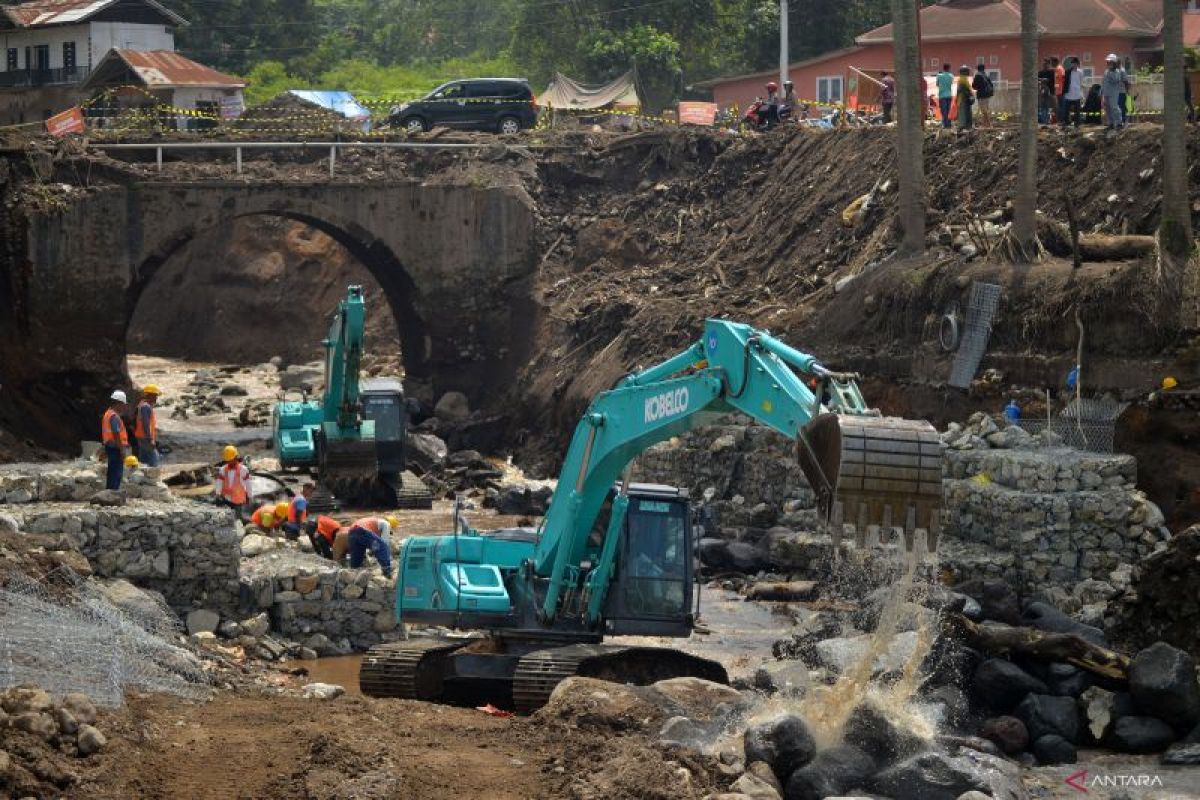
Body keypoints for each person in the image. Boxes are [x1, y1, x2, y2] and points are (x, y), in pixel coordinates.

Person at [101, 390, 129, 491]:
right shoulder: (114, 416)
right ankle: (113, 492)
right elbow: (116, 434)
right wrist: (121, 450)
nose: (124, 407)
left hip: (110, 446)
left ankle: (110, 492)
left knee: (112, 470)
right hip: (115, 447)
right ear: (118, 403)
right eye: (123, 404)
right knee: (116, 472)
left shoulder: (108, 413)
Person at [214, 444, 250, 520]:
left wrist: (249, 496)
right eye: (228, 460)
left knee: (237, 519)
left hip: (238, 500)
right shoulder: (223, 469)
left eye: (231, 460)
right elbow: (219, 482)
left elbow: (248, 484)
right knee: (224, 519)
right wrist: (218, 494)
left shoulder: (243, 470)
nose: (229, 462)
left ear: (236, 457)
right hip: (226, 499)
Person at [133, 384, 161, 467]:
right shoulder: (146, 407)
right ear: (149, 395)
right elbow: (146, 423)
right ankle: (154, 476)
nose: (156, 398)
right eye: (155, 395)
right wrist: (150, 439)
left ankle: (143, 476)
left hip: (140, 435)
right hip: (145, 437)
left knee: (143, 459)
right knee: (154, 458)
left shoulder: (141, 405)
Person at [1101, 54, 1129, 132]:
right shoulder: (1106, 71)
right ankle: (1111, 124)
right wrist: (1101, 92)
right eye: (1108, 62)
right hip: (1106, 93)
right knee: (1108, 109)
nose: (1108, 63)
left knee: (1114, 108)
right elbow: (1103, 82)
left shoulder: (1116, 72)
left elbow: (1115, 80)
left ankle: (1119, 123)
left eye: (1110, 62)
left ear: (1114, 62)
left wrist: (1111, 71)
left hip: (1113, 93)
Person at [1062, 57, 1083, 129]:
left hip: (1077, 93)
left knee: (1077, 110)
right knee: (1066, 110)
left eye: (1075, 63)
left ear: (1078, 64)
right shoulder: (1068, 71)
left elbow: (1081, 82)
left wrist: (1081, 92)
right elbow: (1065, 83)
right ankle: (1066, 122)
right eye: (1073, 63)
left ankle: (1077, 123)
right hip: (1069, 93)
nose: (1074, 65)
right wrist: (1064, 92)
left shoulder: (1080, 72)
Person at [956, 65, 975, 133]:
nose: (968, 72)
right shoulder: (962, 79)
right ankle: (963, 126)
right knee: (963, 113)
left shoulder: (963, 79)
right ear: (964, 72)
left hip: (964, 99)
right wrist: (970, 95)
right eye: (967, 71)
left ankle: (966, 126)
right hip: (963, 99)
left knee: (966, 113)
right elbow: (963, 90)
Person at [936, 63, 955, 129]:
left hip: (942, 95)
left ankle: (944, 124)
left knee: (943, 111)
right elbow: (951, 83)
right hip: (949, 95)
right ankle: (949, 124)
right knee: (948, 110)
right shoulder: (951, 76)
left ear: (943, 68)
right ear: (949, 68)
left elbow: (937, 84)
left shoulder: (939, 75)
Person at [1037, 58, 1055, 124]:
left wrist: (1043, 80)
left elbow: (1051, 81)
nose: (1044, 65)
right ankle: (1043, 121)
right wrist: (1042, 80)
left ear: (1048, 64)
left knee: (1049, 107)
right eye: (1043, 64)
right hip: (1042, 93)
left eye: (1045, 64)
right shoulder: (1040, 72)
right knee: (1042, 106)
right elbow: (1037, 79)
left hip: (1050, 93)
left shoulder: (1051, 72)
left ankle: (1048, 120)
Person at [1052, 56, 1066, 124]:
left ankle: (1062, 120)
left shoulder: (1060, 69)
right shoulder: (1057, 69)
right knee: (1060, 106)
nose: (1052, 64)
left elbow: (1063, 79)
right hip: (1058, 91)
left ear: (1055, 62)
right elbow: (1057, 81)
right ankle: (1060, 120)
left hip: (1061, 91)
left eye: (1052, 63)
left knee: (1061, 106)